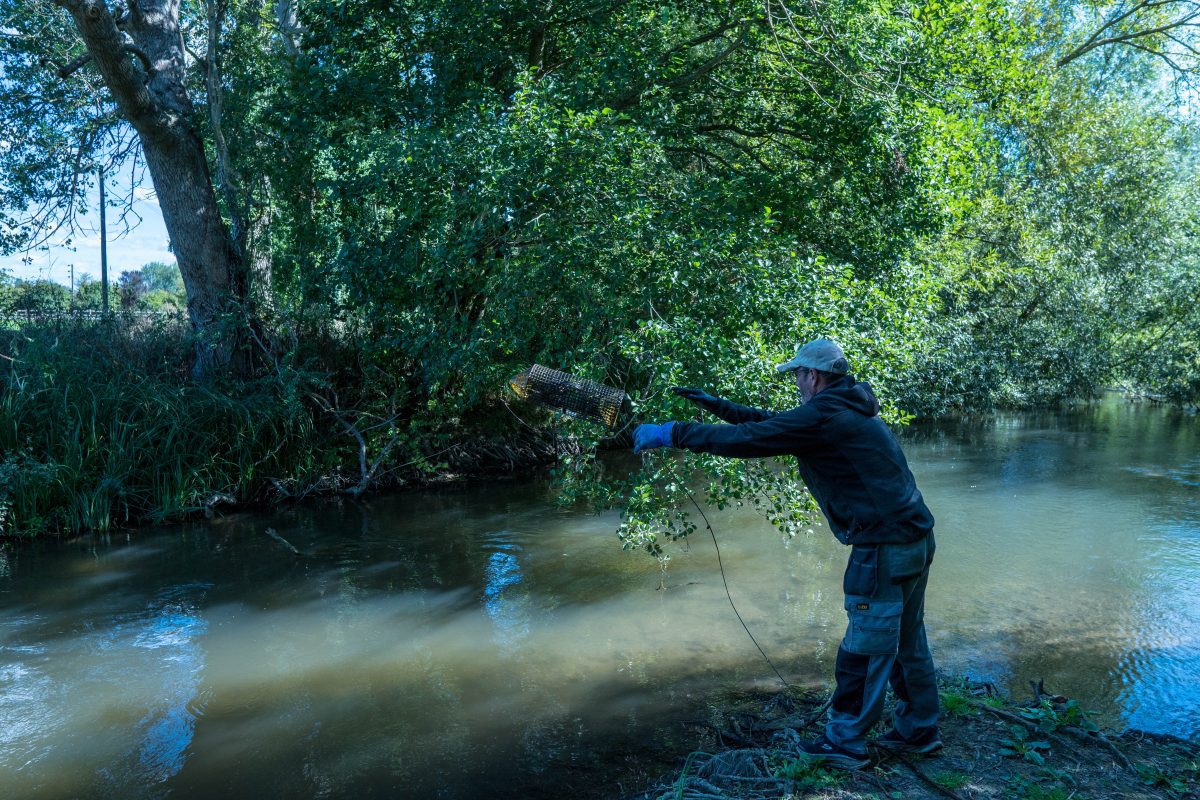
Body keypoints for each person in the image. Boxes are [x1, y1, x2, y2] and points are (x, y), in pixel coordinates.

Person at [632, 338, 940, 769]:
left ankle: (845, 743)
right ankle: (920, 729)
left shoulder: (827, 414)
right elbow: (774, 426)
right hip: (914, 538)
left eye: (797, 374)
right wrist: (716, 406)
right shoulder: (845, 406)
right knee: (907, 642)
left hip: (884, 546)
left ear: (813, 375)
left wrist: (672, 433)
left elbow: (755, 438)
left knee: (864, 648)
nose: (796, 382)